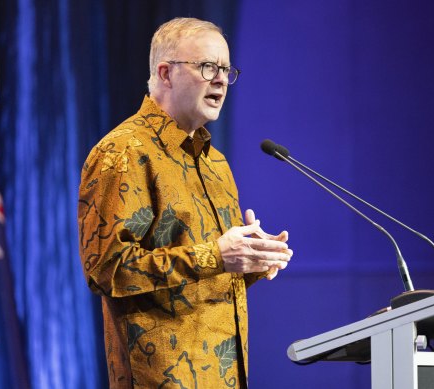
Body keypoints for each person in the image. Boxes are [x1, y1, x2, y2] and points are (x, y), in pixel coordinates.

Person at [78, 17, 293, 388]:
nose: (221, 79)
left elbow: (204, 276)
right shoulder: (123, 152)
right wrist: (217, 256)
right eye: (208, 66)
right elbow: (107, 269)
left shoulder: (215, 163)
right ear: (165, 73)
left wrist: (251, 259)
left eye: (226, 69)